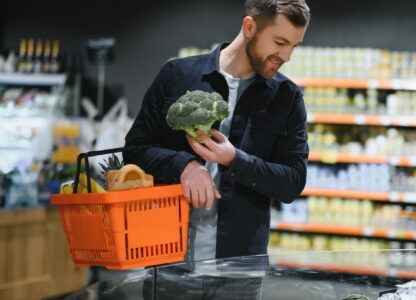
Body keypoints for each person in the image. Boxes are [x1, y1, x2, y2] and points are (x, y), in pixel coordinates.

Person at [124, 0, 311, 263]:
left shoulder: (287, 98)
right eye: (280, 43)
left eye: (294, 46)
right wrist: (185, 166)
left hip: (239, 269)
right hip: (170, 260)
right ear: (249, 27)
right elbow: (134, 151)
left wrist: (235, 159)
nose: (287, 56)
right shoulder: (177, 75)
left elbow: (293, 182)